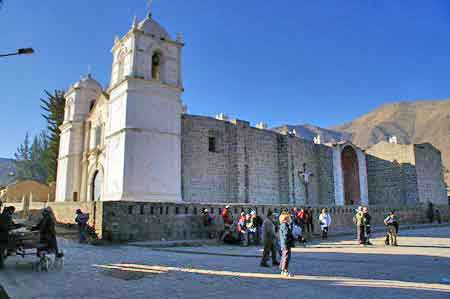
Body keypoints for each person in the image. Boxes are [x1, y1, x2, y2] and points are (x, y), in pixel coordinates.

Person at [279, 212, 294, 277]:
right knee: (286, 257)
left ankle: (283, 270)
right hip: (286, 243)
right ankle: (285, 270)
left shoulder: (283, 224)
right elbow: (286, 234)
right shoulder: (284, 225)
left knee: (284, 256)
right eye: (288, 217)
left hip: (284, 243)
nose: (290, 218)